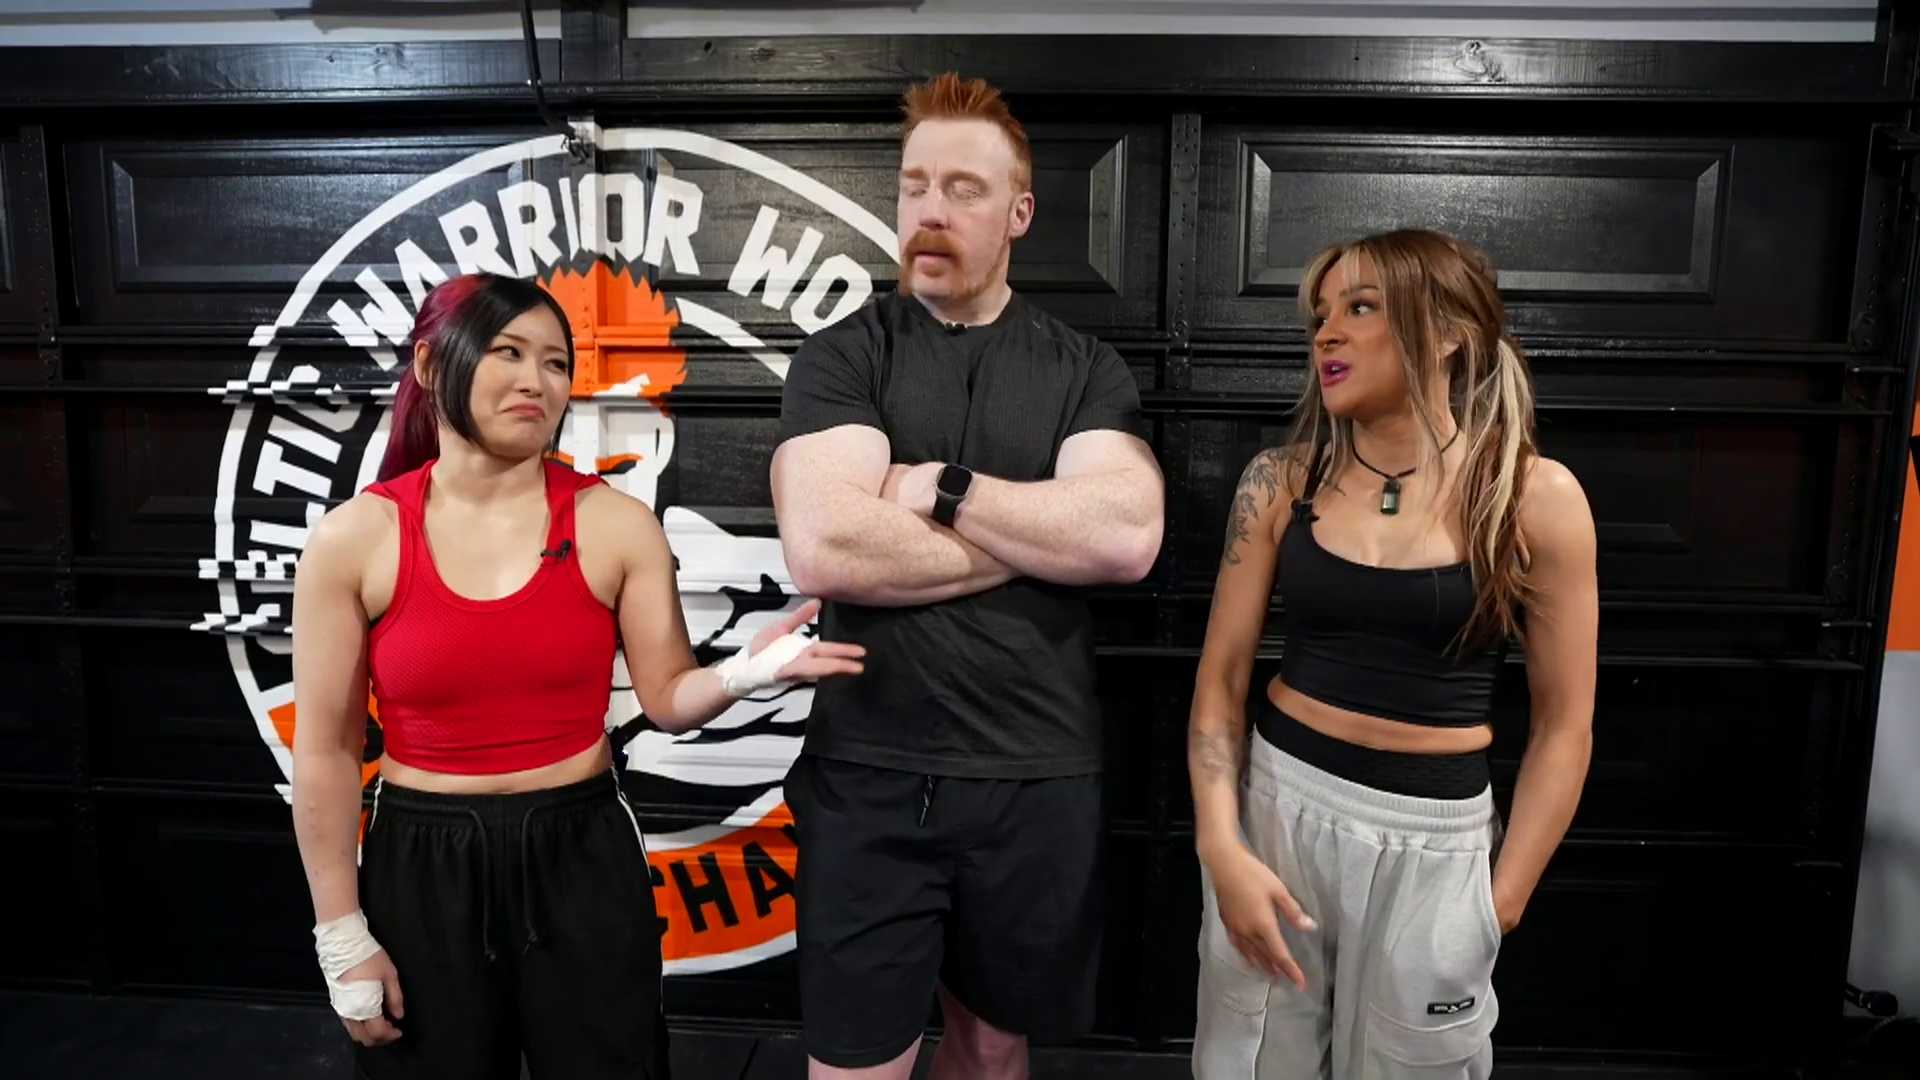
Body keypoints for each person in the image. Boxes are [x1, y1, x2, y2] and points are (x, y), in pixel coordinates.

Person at [288, 270, 865, 1080]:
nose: (537, 380)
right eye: (507, 352)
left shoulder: (616, 525)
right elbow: (325, 753)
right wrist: (340, 933)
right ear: (429, 364)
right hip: (421, 864)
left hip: (581, 853)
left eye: (556, 362)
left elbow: (667, 697)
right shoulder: (355, 538)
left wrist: (744, 672)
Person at [769, 72, 1166, 1079]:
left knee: (992, 1049)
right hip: (869, 772)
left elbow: (1126, 538)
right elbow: (827, 547)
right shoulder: (843, 358)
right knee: (855, 1064)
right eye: (915, 186)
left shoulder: (1085, 370)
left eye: (963, 189)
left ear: (1019, 213)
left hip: (1036, 775)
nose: (930, 211)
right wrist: (1040, 531)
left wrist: (934, 488)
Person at [1186, 228, 1598, 1079]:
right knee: (1249, 1061)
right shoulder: (1280, 481)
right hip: (1276, 817)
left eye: (1361, 307)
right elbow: (1222, 683)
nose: (1327, 333)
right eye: (1320, 316)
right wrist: (1222, 847)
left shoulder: (1532, 496)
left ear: (1447, 333)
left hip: (1435, 846)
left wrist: (1498, 904)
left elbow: (1565, 725)